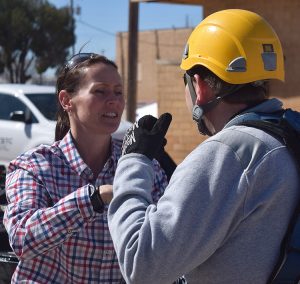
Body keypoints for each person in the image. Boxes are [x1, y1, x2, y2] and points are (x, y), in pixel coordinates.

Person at [108, 9, 300, 284]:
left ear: (198, 86)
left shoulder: (230, 153)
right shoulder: (288, 138)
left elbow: (141, 264)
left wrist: (133, 161)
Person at [3, 53, 169, 283]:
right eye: (100, 91)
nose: (114, 101)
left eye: (118, 92)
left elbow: (167, 245)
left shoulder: (142, 167)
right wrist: (94, 199)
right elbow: (23, 238)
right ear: (66, 100)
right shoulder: (34, 167)